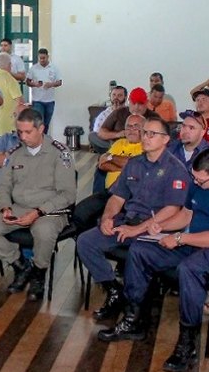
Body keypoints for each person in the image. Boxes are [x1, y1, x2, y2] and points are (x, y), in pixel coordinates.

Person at [98, 148, 209, 372]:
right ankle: (133, 319)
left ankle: (187, 342)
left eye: (201, 180)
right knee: (140, 250)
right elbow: (186, 215)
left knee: (189, 269)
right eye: (195, 178)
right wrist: (160, 226)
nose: (196, 184)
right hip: (194, 241)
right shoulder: (199, 181)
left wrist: (180, 238)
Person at [78, 117, 190, 321]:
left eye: (151, 134)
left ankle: (134, 310)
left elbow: (173, 209)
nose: (145, 137)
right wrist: (107, 218)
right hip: (128, 221)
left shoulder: (176, 170)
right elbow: (117, 196)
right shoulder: (134, 164)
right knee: (86, 241)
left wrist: (137, 230)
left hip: (156, 228)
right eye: (144, 132)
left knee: (138, 253)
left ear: (166, 139)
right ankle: (114, 291)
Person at [0, 108, 76, 302]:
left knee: (44, 232)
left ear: (41, 128)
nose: (22, 136)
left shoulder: (59, 153)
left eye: (28, 132)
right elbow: (3, 186)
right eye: (20, 132)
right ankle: (20, 265)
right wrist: (5, 208)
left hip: (50, 210)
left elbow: (68, 195)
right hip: (19, 207)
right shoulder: (15, 153)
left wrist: (38, 212)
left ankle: (39, 273)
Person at [72, 114, 145, 234]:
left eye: (136, 127)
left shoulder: (146, 147)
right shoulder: (118, 143)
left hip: (129, 197)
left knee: (111, 221)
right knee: (81, 212)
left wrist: (112, 158)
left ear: (144, 129)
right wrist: (123, 164)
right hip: (108, 192)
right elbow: (102, 163)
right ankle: (82, 247)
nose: (131, 130)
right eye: (128, 127)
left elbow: (133, 166)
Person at [0, 53, 25, 161]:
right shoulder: (10, 79)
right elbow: (20, 101)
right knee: (7, 158)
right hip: (6, 126)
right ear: (10, 65)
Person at [25, 48, 62, 130]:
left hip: (50, 101)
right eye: (40, 58)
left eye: (43, 58)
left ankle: (44, 140)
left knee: (46, 123)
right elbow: (27, 82)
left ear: (47, 57)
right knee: (39, 122)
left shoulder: (54, 68)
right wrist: (34, 84)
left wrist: (51, 84)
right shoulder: (33, 68)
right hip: (37, 100)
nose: (42, 60)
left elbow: (59, 82)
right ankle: (38, 140)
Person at [88, 85, 127, 152]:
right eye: (114, 95)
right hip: (110, 142)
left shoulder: (129, 111)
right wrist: (117, 134)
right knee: (92, 136)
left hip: (126, 141)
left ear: (125, 97)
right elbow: (98, 133)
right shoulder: (104, 114)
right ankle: (116, 150)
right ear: (110, 96)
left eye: (119, 95)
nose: (116, 98)